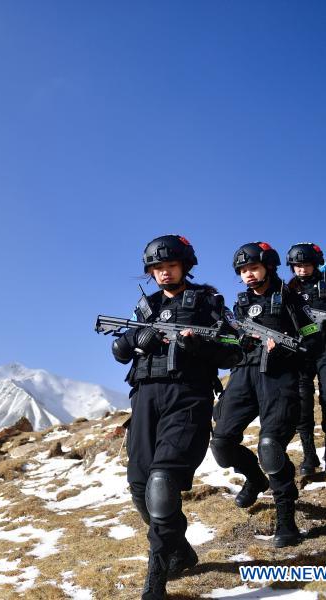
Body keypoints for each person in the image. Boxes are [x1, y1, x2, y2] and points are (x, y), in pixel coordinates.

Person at [111, 235, 241, 600]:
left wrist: (200, 345)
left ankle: (156, 579)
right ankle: (179, 550)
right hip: (145, 399)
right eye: (156, 269)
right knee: (139, 486)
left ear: (185, 266)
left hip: (188, 396)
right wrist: (136, 342)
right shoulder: (145, 307)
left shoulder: (207, 302)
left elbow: (236, 347)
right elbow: (120, 348)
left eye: (169, 266)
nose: (163, 274)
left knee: (161, 482)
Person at [210, 242, 322, 548]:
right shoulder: (240, 304)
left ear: (268, 267)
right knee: (221, 445)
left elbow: (314, 338)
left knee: (270, 448)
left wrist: (286, 346)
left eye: (253, 268)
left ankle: (286, 521)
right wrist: (236, 343)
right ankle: (256, 479)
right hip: (243, 376)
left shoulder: (291, 299)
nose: (248, 275)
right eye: (243, 271)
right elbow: (231, 341)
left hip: (280, 378)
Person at [285, 242, 326, 475]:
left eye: (306, 265)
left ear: (315, 265)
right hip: (301, 353)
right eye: (297, 266)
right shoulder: (287, 290)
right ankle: (309, 456)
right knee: (302, 407)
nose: (302, 270)